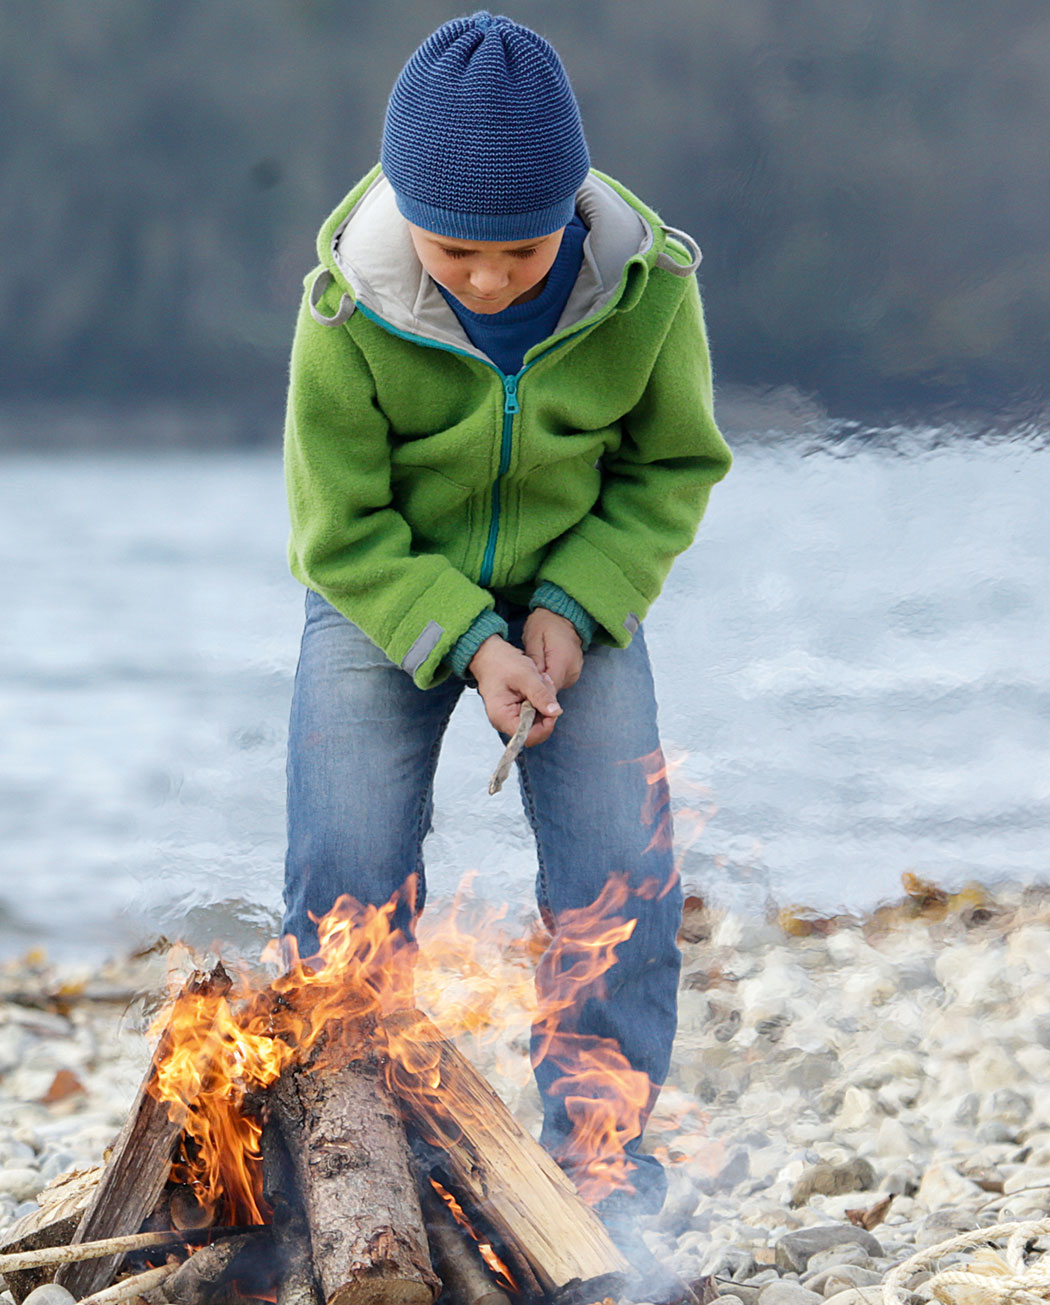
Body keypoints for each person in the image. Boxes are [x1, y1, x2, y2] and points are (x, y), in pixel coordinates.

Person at [281, 7, 731, 1258]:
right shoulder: (348, 307)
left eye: (520, 254)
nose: (485, 280)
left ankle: (605, 1170)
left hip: (581, 591)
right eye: (454, 252)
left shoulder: (646, 289)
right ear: (408, 218)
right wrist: (472, 640)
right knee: (345, 882)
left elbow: (671, 470)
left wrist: (571, 610)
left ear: (574, 211)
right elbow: (338, 528)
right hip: (388, 594)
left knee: (617, 880)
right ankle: (347, 1163)